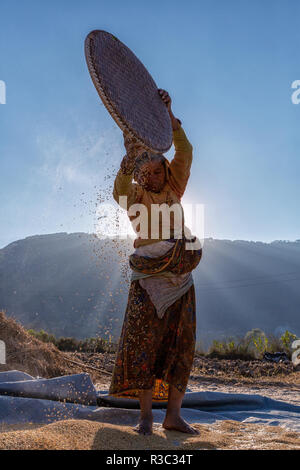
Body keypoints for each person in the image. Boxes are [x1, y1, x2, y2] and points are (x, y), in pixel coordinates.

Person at [108, 89, 202, 435]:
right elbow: (119, 189)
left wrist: (169, 117)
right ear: (140, 174)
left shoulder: (175, 188)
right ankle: (145, 416)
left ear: (164, 168)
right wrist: (126, 159)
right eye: (144, 171)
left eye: (157, 169)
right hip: (147, 277)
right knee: (143, 342)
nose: (152, 175)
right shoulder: (136, 195)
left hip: (181, 275)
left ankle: (173, 415)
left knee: (182, 343)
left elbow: (186, 150)